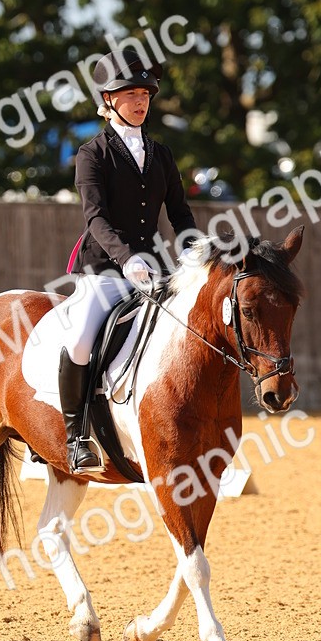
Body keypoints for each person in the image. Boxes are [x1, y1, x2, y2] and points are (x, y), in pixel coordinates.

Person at [58, 46, 198, 473]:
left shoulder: (162, 155)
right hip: (104, 267)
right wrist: (127, 258)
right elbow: (95, 217)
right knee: (81, 339)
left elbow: (180, 213)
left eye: (145, 94)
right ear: (108, 101)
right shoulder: (92, 154)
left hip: (155, 268)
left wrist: (194, 252)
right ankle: (74, 435)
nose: (140, 102)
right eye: (130, 94)